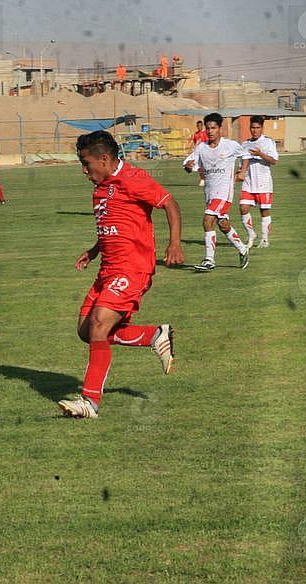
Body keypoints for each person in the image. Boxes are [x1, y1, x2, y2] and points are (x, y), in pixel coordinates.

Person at [58, 130, 183, 419]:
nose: (84, 170)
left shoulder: (133, 178)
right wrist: (93, 250)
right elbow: (113, 227)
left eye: (86, 164)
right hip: (108, 269)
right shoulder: (100, 188)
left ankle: (89, 401)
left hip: (133, 268)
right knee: (85, 332)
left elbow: (170, 204)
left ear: (104, 159)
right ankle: (153, 335)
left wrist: (174, 243)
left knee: (100, 324)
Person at [184, 112, 250, 271]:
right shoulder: (201, 148)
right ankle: (242, 249)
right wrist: (188, 166)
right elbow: (189, 164)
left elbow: (245, 155)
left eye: (213, 128)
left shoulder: (230, 145)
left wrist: (242, 172)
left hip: (224, 193)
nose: (210, 131)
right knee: (223, 224)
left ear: (220, 128)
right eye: (208, 128)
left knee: (207, 220)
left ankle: (209, 260)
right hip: (210, 193)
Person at [239, 115, 278, 249]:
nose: (255, 130)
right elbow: (242, 164)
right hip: (248, 182)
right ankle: (251, 234)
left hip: (263, 183)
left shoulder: (268, 142)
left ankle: (265, 240)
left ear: (262, 128)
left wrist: (260, 154)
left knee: (264, 211)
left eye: (258, 127)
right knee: (243, 208)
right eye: (253, 127)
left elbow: (273, 161)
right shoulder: (245, 144)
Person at [187, 120, 208, 186]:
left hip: (205, 152)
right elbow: (194, 143)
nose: (199, 127)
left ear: (202, 126)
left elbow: (207, 142)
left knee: (207, 166)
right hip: (198, 153)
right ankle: (202, 179)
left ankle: (208, 179)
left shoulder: (205, 133)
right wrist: (192, 150)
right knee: (199, 166)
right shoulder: (195, 134)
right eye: (198, 126)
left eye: (200, 125)